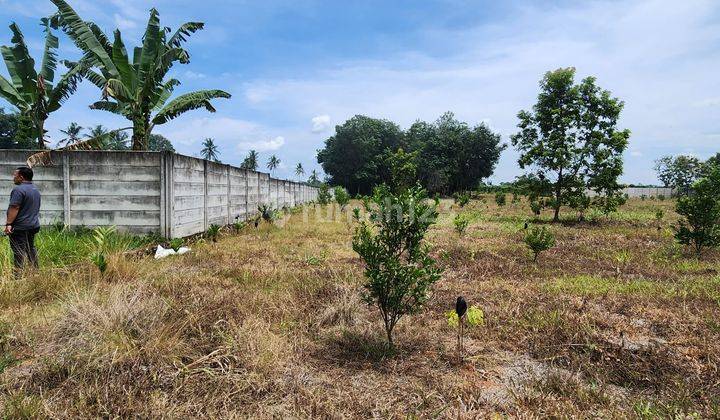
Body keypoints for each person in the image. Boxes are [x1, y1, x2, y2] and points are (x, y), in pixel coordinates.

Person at [4, 166, 41, 270]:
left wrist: (9, 224)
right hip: (33, 225)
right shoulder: (35, 190)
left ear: (21, 177)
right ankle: (35, 271)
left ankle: (18, 275)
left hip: (20, 227)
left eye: (15, 175)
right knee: (30, 248)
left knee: (18, 250)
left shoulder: (18, 190)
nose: (13, 177)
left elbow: (14, 207)